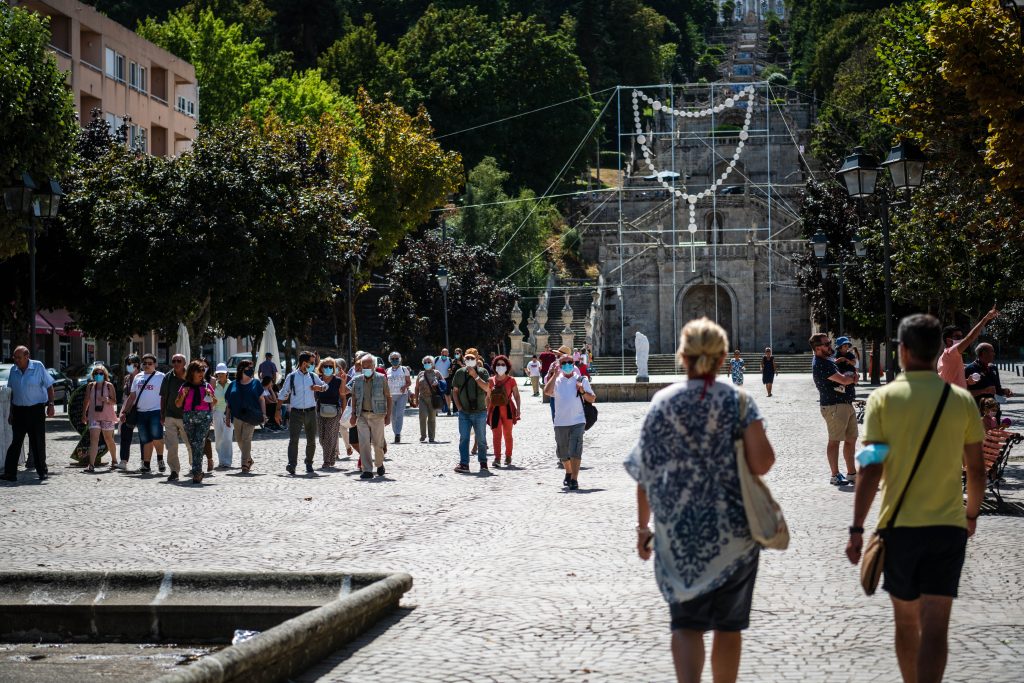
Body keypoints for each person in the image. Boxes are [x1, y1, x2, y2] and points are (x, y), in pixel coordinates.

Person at [627, 317, 775, 683]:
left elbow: (644, 472)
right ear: (723, 357)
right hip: (734, 534)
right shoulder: (740, 402)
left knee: (687, 624)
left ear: (683, 357)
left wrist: (642, 528)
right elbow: (763, 462)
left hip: (679, 534)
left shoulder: (663, 403)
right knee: (729, 627)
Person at [846, 314, 985, 683]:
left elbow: (871, 468)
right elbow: (976, 470)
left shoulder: (882, 400)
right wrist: (971, 516)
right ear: (940, 349)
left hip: (899, 528)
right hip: (948, 527)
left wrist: (857, 528)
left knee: (906, 623)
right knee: (937, 626)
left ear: (903, 351)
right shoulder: (961, 401)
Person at [810, 333, 858, 486]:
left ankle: (852, 474)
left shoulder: (827, 360)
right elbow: (843, 380)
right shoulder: (821, 364)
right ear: (818, 348)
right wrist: (853, 379)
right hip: (834, 406)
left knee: (851, 439)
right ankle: (835, 475)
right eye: (826, 344)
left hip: (845, 403)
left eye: (829, 342)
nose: (830, 346)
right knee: (835, 441)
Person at [2, 346, 55, 483]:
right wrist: (11, 412)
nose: (16, 360)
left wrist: (51, 404)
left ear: (27, 356)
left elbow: (49, 386)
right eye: (14, 357)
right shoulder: (13, 370)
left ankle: (42, 472)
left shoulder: (38, 367)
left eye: (18, 357)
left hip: (36, 410)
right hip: (19, 412)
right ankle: (10, 473)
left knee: (37, 442)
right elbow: (12, 393)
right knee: (16, 442)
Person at [545, 353, 596, 490]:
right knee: (562, 452)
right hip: (560, 422)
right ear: (560, 366)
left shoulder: (581, 379)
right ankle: (568, 471)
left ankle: (574, 479)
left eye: (570, 362)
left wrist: (582, 391)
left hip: (578, 421)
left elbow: (592, 399)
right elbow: (547, 392)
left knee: (575, 450)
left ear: (573, 364)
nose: (567, 365)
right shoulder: (556, 380)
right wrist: (554, 375)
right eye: (564, 363)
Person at [278, 351, 327, 475]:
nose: (313, 365)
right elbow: (283, 393)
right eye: (311, 363)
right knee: (293, 439)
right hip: (296, 413)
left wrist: (320, 388)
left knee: (311, 440)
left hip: (311, 412)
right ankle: (292, 464)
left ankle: (309, 463)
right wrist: (277, 411)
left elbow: (325, 386)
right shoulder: (292, 376)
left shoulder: (313, 376)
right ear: (304, 363)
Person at [118, 354, 167, 477]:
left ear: (155, 364)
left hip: (155, 411)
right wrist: (124, 411)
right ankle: (146, 464)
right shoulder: (138, 377)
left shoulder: (161, 377)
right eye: (144, 363)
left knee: (157, 437)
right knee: (145, 439)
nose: (147, 365)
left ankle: (160, 459)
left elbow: (166, 396)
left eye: (150, 363)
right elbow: (132, 396)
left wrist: (165, 413)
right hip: (141, 412)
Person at [348, 354, 392, 479]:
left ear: (374, 366)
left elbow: (389, 397)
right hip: (362, 415)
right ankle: (366, 469)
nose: (366, 368)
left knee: (378, 443)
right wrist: (353, 415)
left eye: (368, 366)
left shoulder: (382, 378)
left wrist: (388, 415)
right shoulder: (358, 380)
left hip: (377, 415)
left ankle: (379, 464)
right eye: (363, 366)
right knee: (364, 443)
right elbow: (354, 397)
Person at [174, 360, 216, 485]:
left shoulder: (207, 386)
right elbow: (177, 404)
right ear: (192, 372)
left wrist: (210, 396)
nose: (201, 373)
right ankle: (198, 471)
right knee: (194, 444)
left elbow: (214, 402)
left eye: (203, 371)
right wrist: (183, 395)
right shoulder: (185, 386)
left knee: (198, 443)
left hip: (204, 417)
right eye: (199, 371)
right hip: (189, 417)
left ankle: (196, 472)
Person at [937, 308, 998, 388]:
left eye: (962, 336)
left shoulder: (945, 357)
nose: (961, 339)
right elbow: (970, 338)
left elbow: (951, 380)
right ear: (949, 340)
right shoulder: (951, 352)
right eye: (958, 337)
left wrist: (967, 381)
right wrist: (985, 318)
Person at [452, 350, 491, 473]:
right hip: (464, 413)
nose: (469, 360)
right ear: (464, 359)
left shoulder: (483, 372)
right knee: (464, 438)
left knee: (481, 438)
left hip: (480, 411)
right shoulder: (459, 373)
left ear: (477, 358)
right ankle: (464, 464)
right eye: (467, 358)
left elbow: (487, 388)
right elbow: (455, 391)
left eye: (472, 358)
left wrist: (475, 376)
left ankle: (483, 463)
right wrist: (459, 407)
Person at [224, 359, 265, 473]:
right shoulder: (233, 384)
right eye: (249, 368)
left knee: (246, 439)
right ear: (241, 369)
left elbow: (262, 399)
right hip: (237, 416)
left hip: (251, 416)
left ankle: (244, 464)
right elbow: (229, 404)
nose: (251, 370)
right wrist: (227, 417)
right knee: (239, 440)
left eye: (252, 368)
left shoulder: (256, 383)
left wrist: (263, 414)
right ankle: (249, 459)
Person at [160, 354, 194, 477]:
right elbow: (163, 397)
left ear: (184, 363)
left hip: (187, 416)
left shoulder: (191, 376)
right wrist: (162, 414)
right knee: (171, 445)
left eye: (179, 361)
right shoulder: (168, 377)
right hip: (170, 415)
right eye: (174, 361)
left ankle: (194, 465)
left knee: (190, 443)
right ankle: (174, 470)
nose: (176, 363)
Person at [81, 364, 118, 473]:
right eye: (96, 373)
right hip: (94, 416)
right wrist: (84, 414)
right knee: (94, 440)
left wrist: (106, 399)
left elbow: (114, 401)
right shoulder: (90, 386)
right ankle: (91, 465)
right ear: (93, 375)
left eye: (101, 373)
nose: (98, 375)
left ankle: (114, 460)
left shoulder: (109, 386)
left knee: (108, 439)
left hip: (107, 416)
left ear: (104, 374)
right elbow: (86, 400)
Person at [117, 354, 148, 471]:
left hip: (140, 408)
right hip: (128, 409)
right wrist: (122, 410)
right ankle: (123, 461)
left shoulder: (143, 377)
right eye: (128, 364)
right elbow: (125, 395)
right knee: (125, 435)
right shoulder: (126, 378)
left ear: (138, 365)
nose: (130, 366)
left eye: (133, 364)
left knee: (143, 436)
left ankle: (144, 461)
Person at [489, 355, 521, 468]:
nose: (500, 366)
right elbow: (488, 398)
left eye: (503, 364)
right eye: (498, 364)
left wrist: (518, 409)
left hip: (507, 409)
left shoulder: (511, 380)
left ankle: (508, 456)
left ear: (507, 366)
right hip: (495, 410)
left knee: (508, 434)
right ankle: (497, 458)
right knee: (496, 435)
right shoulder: (491, 380)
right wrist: (486, 412)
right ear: (494, 366)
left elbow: (517, 395)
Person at [315, 357, 346, 469]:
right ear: (321, 367)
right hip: (320, 411)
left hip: (335, 411)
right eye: (325, 366)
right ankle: (331, 456)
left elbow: (343, 396)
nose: (327, 368)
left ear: (333, 368)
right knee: (322, 438)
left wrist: (343, 412)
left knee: (329, 435)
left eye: (330, 366)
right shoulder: (317, 379)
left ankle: (326, 461)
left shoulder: (338, 381)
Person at [965, 343, 1013, 412]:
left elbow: (997, 389)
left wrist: (1005, 391)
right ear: (984, 353)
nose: (994, 354)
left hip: (993, 410)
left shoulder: (993, 368)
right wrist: (983, 391)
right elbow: (965, 393)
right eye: (992, 351)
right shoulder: (970, 369)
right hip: (977, 410)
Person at [415, 355, 443, 443]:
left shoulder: (437, 373)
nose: (427, 364)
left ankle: (431, 437)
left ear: (432, 363)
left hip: (433, 398)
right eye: (425, 362)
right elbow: (416, 387)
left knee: (432, 418)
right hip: (422, 398)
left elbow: (444, 383)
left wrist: (437, 383)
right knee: (422, 416)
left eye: (429, 362)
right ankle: (423, 435)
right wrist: (415, 399)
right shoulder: (420, 374)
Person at [387, 352, 412, 444]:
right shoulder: (388, 370)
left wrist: (404, 386)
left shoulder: (404, 369)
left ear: (400, 359)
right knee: (392, 415)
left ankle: (398, 433)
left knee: (399, 413)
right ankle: (395, 432)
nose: (395, 360)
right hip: (391, 395)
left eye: (396, 358)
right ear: (390, 360)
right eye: (393, 359)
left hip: (402, 395)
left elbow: (409, 382)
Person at [211, 363, 233, 469]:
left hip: (230, 413)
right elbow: (210, 401)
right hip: (217, 413)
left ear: (226, 373)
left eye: (222, 373)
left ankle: (227, 461)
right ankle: (221, 460)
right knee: (219, 437)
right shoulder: (213, 385)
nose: (220, 375)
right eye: (218, 373)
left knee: (228, 438)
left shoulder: (232, 384)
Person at [434, 348, 454, 416]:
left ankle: (448, 409)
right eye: (443, 354)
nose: (444, 355)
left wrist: (450, 371)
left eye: (446, 354)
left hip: (447, 379)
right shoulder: (436, 359)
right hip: (437, 379)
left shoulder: (450, 360)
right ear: (441, 353)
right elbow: (432, 367)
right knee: (437, 395)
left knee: (447, 395)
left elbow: (452, 369)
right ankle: (436, 411)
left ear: (448, 354)